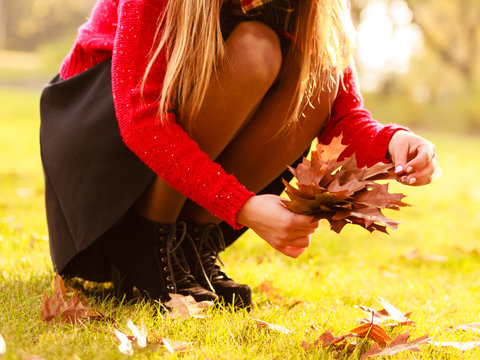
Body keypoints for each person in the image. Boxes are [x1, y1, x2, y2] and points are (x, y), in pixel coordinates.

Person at [39, 0, 437, 308]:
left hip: (161, 152)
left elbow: (343, 116)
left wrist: (392, 143)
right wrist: (242, 205)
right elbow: (140, 119)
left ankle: (190, 243)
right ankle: (146, 240)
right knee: (255, 51)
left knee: (316, 75)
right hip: (98, 145)